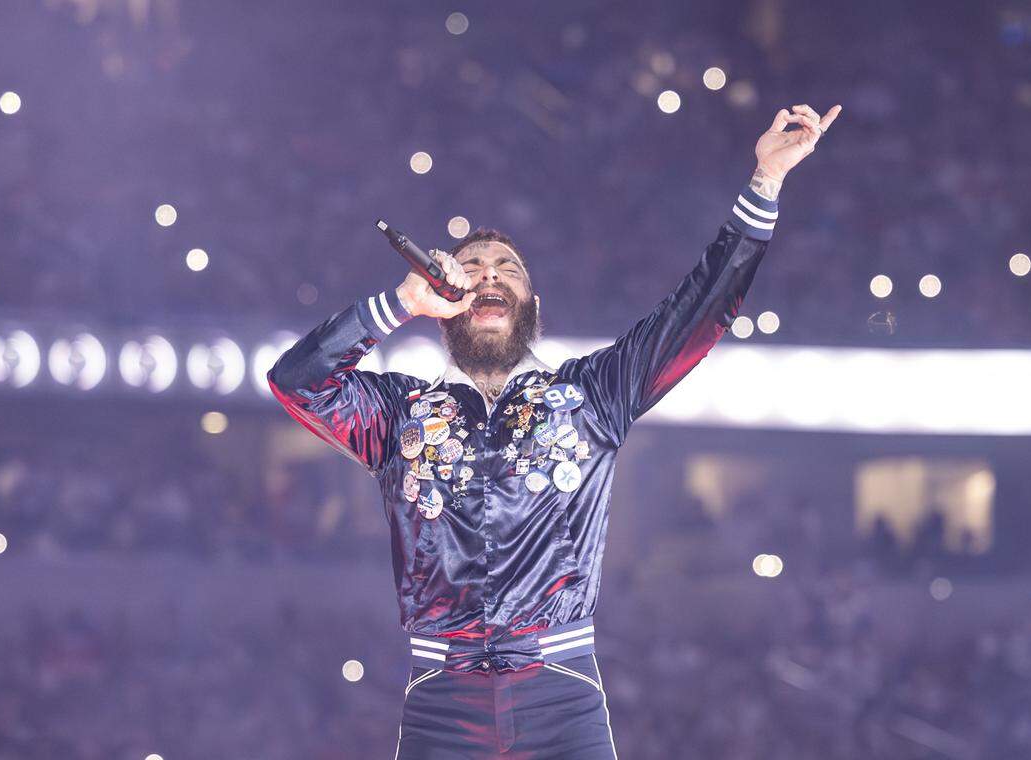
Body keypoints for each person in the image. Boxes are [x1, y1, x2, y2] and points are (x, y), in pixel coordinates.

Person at [268, 103, 841, 759]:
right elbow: (297, 381)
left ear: (531, 307)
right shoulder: (397, 413)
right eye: (471, 266)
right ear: (442, 302)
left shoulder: (592, 394)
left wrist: (764, 182)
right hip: (440, 700)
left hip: (561, 695)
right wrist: (399, 301)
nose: (486, 273)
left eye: (506, 268)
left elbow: (696, 313)